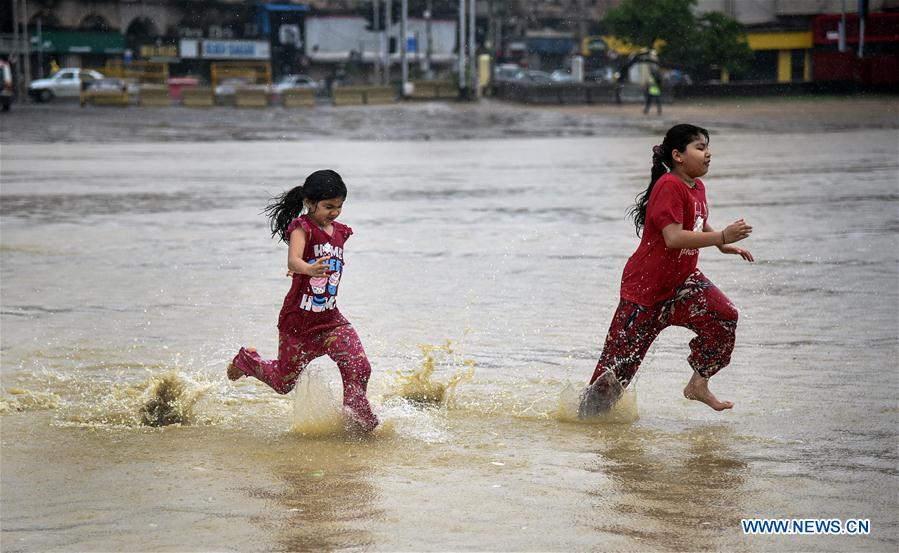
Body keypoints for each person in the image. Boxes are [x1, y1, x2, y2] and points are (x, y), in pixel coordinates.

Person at [579, 124, 754, 417]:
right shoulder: (669, 186)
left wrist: (721, 244)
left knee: (724, 317)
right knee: (611, 378)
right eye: (700, 148)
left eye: (708, 147)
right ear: (678, 155)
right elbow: (673, 237)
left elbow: (696, 221)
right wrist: (722, 235)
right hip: (644, 293)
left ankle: (698, 384)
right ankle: (583, 426)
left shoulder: (696, 187)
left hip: (682, 284)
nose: (708, 153)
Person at [228, 169, 379, 432]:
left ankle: (356, 416)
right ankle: (247, 360)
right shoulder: (302, 227)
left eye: (339, 206)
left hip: (330, 320)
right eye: (328, 206)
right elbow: (293, 260)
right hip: (298, 323)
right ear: (309, 203)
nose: (335, 212)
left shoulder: (340, 232)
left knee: (359, 365)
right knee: (283, 382)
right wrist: (306, 269)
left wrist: (307, 269)